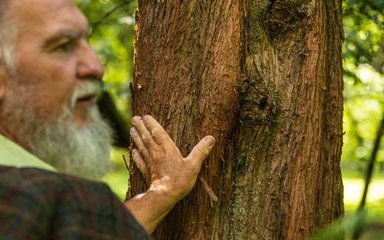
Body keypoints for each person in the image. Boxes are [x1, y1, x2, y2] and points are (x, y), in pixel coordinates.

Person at [0, 0, 215, 239]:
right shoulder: (28, 198)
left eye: (86, 42)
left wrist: (162, 191)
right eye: (62, 46)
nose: (95, 66)